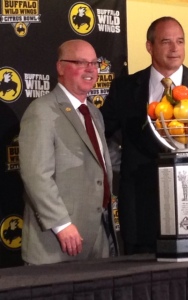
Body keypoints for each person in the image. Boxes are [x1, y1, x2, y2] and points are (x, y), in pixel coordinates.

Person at [100, 17, 188, 255]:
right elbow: (100, 133)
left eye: (180, 41)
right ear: (149, 46)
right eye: (166, 42)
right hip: (140, 211)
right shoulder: (124, 88)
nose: (175, 49)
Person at [19, 39, 118, 265]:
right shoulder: (42, 111)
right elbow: (36, 175)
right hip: (57, 243)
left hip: (97, 241)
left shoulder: (94, 113)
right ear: (60, 67)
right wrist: (61, 225)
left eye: (94, 63)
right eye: (81, 62)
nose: (90, 69)